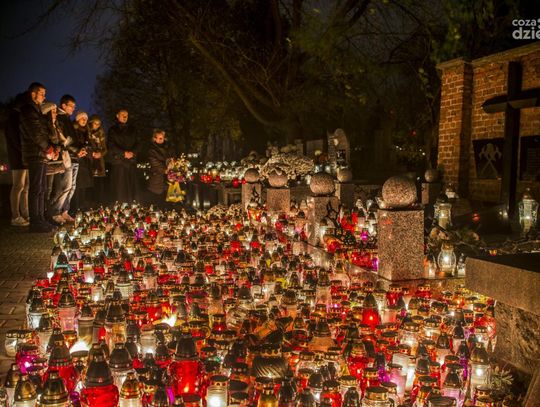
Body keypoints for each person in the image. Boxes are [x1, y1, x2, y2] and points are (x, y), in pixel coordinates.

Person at [19, 82, 59, 232]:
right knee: (36, 188)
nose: (44, 96)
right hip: (35, 153)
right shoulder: (28, 110)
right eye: (42, 93)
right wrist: (48, 148)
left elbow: (44, 132)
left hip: (40, 153)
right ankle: (35, 222)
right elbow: (35, 133)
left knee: (41, 188)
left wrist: (52, 149)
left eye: (44, 94)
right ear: (33, 94)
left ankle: (40, 219)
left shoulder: (36, 110)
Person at [41, 102, 70, 225]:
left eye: (55, 111)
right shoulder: (45, 125)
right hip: (49, 160)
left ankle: (50, 213)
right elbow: (47, 140)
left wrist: (60, 147)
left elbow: (59, 141)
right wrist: (54, 149)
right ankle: (45, 215)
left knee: (57, 189)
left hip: (57, 160)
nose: (55, 114)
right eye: (53, 112)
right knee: (47, 189)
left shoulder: (56, 125)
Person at [51, 94, 79, 223]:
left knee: (71, 186)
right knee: (65, 186)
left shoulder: (67, 119)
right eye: (71, 106)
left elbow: (72, 138)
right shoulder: (60, 119)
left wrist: (80, 149)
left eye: (74, 106)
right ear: (63, 105)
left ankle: (64, 211)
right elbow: (65, 139)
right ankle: (55, 211)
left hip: (74, 156)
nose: (73, 108)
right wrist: (76, 149)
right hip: (66, 156)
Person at [4, 92, 29, 226]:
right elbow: (15, 139)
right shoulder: (13, 117)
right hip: (17, 156)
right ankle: (15, 216)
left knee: (25, 186)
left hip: (23, 156)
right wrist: (24, 151)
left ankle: (25, 214)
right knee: (18, 185)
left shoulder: (18, 117)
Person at [107, 109, 138, 202]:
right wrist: (123, 153)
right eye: (122, 115)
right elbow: (111, 144)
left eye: (126, 115)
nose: (125, 117)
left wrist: (132, 152)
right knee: (119, 186)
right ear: (117, 116)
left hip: (131, 161)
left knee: (131, 185)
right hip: (119, 161)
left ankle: (132, 205)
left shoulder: (133, 129)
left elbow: (138, 143)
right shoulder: (113, 129)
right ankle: (119, 205)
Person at [72, 111, 93, 210]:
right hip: (76, 159)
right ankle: (75, 207)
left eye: (86, 119)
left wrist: (87, 149)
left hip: (85, 160)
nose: (84, 120)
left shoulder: (86, 131)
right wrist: (79, 150)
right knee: (76, 184)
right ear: (77, 119)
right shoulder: (73, 130)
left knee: (83, 184)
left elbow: (90, 144)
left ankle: (82, 205)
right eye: (82, 118)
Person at [147, 129, 173, 205]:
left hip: (168, 178)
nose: (162, 140)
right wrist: (165, 169)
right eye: (160, 138)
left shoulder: (168, 147)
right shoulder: (152, 150)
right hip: (157, 179)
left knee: (168, 200)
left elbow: (171, 157)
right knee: (157, 201)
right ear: (154, 138)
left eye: (163, 138)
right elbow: (154, 163)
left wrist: (172, 163)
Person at [87, 114, 107, 205]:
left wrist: (100, 153)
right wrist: (92, 153)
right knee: (91, 183)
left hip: (99, 162)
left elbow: (105, 149)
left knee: (99, 183)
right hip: (90, 161)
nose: (97, 125)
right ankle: (90, 202)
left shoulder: (101, 134)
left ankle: (100, 202)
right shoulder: (87, 133)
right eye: (95, 123)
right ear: (91, 123)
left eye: (99, 124)